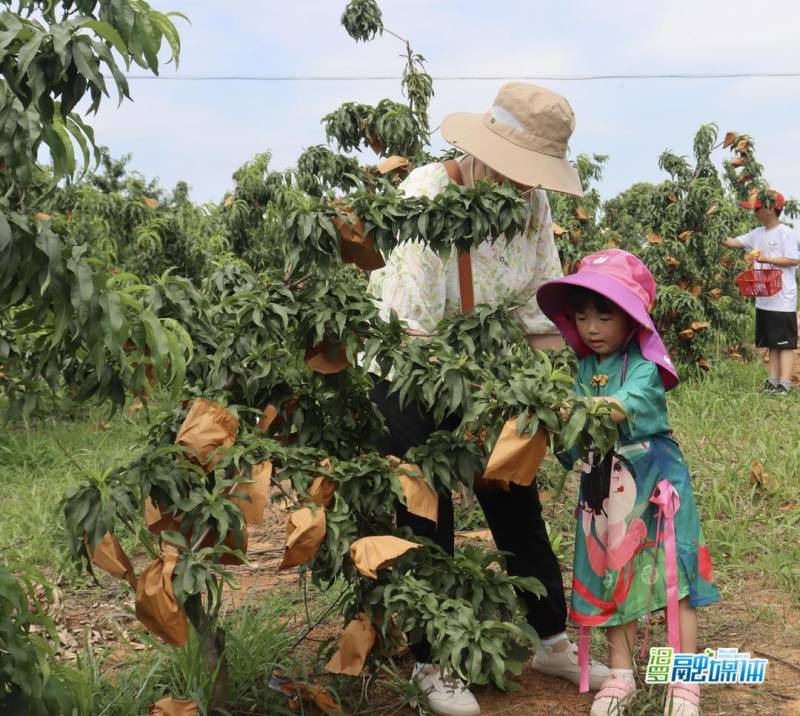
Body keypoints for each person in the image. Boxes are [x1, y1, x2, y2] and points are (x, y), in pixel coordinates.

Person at [368, 83, 610, 716]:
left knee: (514, 494)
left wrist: (539, 401)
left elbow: (539, 300)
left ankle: (549, 636)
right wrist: (476, 397)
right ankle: (432, 658)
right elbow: (413, 326)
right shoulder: (429, 194)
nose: (523, 183)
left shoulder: (530, 206)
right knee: (426, 510)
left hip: (490, 369)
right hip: (409, 368)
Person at [536, 249, 720, 716]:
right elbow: (572, 443)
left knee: (672, 576)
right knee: (610, 572)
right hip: (605, 489)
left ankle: (684, 677)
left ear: (633, 320)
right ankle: (620, 673)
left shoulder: (643, 365)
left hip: (657, 486)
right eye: (581, 316)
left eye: (604, 314)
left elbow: (626, 404)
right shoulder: (580, 369)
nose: (592, 327)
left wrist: (574, 411)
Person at [723, 189, 800, 395]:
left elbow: (794, 259)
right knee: (772, 344)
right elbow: (732, 242)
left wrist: (767, 259)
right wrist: (713, 227)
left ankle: (785, 384)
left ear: (769, 209)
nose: (754, 213)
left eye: (756, 209)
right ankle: (773, 382)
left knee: (785, 344)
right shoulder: (757, 233)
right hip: (764, 298)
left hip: (782, 299)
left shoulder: (785, 233)